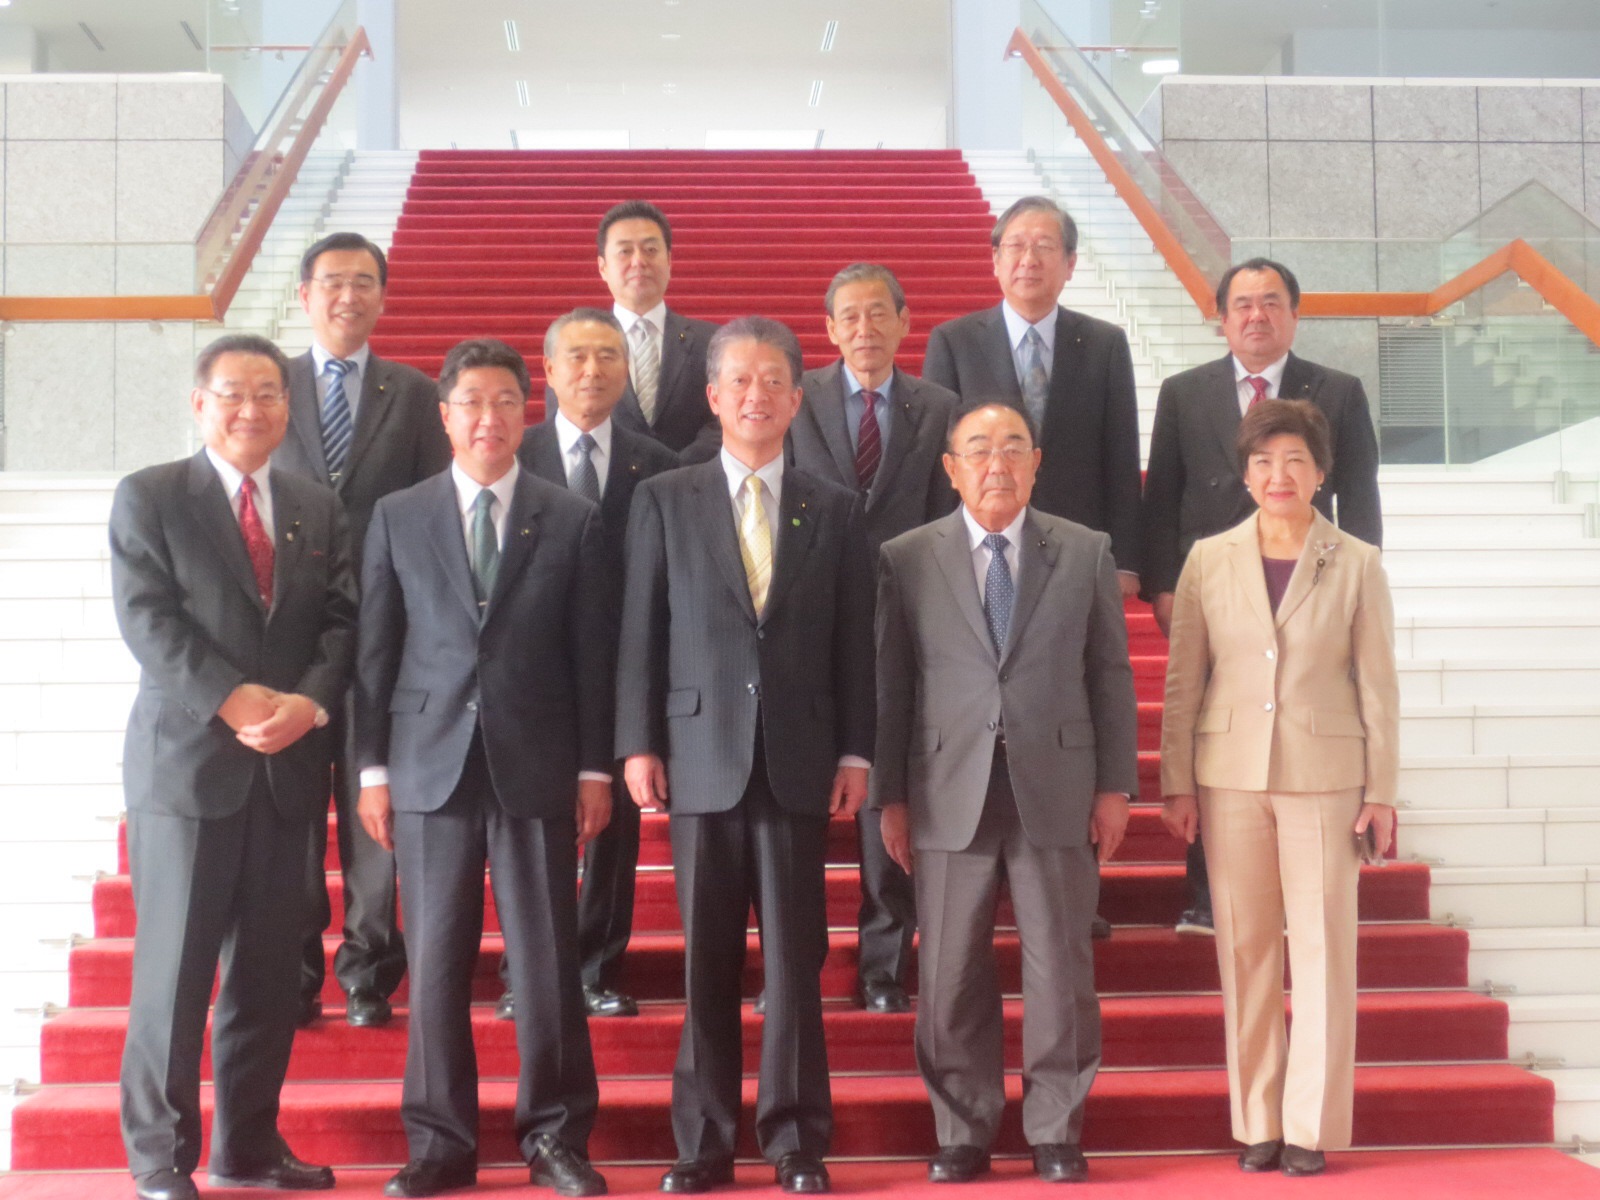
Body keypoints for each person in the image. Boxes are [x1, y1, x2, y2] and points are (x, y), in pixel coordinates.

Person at [616, 317, 875, 1194]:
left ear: (797, 399)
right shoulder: (666, 498)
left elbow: (854, 642)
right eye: (740, 381)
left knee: (796, 962)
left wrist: (857, 750)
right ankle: (705, 1141)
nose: (756, 395)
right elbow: (641, 628)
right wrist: (638, 741)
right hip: (699, 755)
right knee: (708, 962)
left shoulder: (833, 507)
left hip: (801, 759)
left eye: (773, 382)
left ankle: (796, 1139)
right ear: (713, 397)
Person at [354, 339, 613, 1199]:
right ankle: (440, 1143)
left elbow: (592, 656)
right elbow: (375, 654)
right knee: (434, 964)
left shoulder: (569, 516)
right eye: (471, 402)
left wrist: (595, 769)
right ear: (445, 415)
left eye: (505, 401)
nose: (488, 418)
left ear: (526, 412)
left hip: (537, 764)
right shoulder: (398, 515)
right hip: (428, 765)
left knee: (547, 963)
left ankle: (556, 1137)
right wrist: (371, 771)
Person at [112, 333, 355, 1200]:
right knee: (174, 974)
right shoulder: (151, 495)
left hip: (285, 770)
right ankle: (160, 1156)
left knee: (265, 975)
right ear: (199, 403)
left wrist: (308, 703)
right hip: (187, 771)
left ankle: (247, 1144)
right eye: (232, 393)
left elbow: (342, 620)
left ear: (289, 407)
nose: (251, 409)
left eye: (268, 393)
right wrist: (232, 698)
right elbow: (148, 619)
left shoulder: (314, 504)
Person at [874, 402, 1137, 1186]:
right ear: (951, 468)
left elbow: (1110, 675)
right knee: (949, 969)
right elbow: (892, 685)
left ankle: (1056, 1128)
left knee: (1061, 965)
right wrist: (890, 795)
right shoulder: (907, 557)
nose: (998, 464)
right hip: (944, 787)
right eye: (980, 450)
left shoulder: (1084, 550)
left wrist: (1115, 787)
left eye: (1013, 448)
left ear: (1036, 461)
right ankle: (963, 1129)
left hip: (1056, 784)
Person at [1159, 399, 1398, 1179]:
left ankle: (1309, 1124)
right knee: (1246, 949)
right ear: (1246, 474)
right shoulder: (1208, 559)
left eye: (1295, 459)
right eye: (1263, 461)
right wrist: (1176, 782)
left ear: (1321, 472)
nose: (1278, 474)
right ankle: (1258, 1119)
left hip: (1325, 778)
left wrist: (1382, 789)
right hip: (1229, 776)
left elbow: (1378, 685)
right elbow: (1185, 679)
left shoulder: (1355, 561)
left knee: (1324, 948)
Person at [1141, 258, 1383, 937]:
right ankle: (1207, 892)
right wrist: (1163, 583)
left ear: (1294, 316)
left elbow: (1361, 496)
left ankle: (1302, 885)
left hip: (1308, 589)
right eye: (1242, 304)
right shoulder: (1184, 392)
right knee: (1216, 731)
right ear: (1221, 319)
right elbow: (1162, 494)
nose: (1256, 315)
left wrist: (1362, 583)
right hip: (1213, 590)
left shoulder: (1337, 391)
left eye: (1271, 302)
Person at [274, 230, 451, 1028]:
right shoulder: (269, 386)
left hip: (387, 634)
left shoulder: (414, 394)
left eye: (364, 283)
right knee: (292, 812)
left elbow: (433, 511)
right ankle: (293, 967)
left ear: (383, 295)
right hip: (288, 638)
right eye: (332, 282)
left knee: (372, 799)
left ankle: (368, 970)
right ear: (305, 295)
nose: (348, 296)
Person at [492, 309, 678, 1022]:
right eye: (577, 356)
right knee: (531, 830)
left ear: (627, 369)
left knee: (613, 830)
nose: (592, 370)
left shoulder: (657, 464)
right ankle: (526, 971)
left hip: (623, 667)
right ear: (548, 369)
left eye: (607, 356)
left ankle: (598, 965)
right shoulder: (516, 450)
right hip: (533, 673)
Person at [787, 262, 958, 1014]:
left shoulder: (938, 406)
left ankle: (884, 966)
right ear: (829, 329)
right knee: (797, 802)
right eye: (849, 316)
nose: (865, 329)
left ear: (904, 321)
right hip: (809, 620)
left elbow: (947, 519)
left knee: (887, 792)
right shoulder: (798, 398)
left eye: (878, 313)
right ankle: (795, 967)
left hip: (904, 621)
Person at [922, 195, 1142, 592]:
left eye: (1044, 246)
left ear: (1070, 263)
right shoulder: (954, 342)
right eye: (1016, 246)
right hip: (981, 544)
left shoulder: (1105, 345)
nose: (1029, 259)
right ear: (996, 260)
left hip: (1076, 547)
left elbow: (1121, 458)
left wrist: (1125, 561)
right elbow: (943, 460)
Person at [571, 200, 720, 461]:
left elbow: (727, 418)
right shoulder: (573, 344)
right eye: (625, 251)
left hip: (691, 480)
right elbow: (566, 423)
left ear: (669, 261)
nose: (639, 261)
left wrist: (676, 470)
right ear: (602, 267)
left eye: (650, 250)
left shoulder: (713, 342)